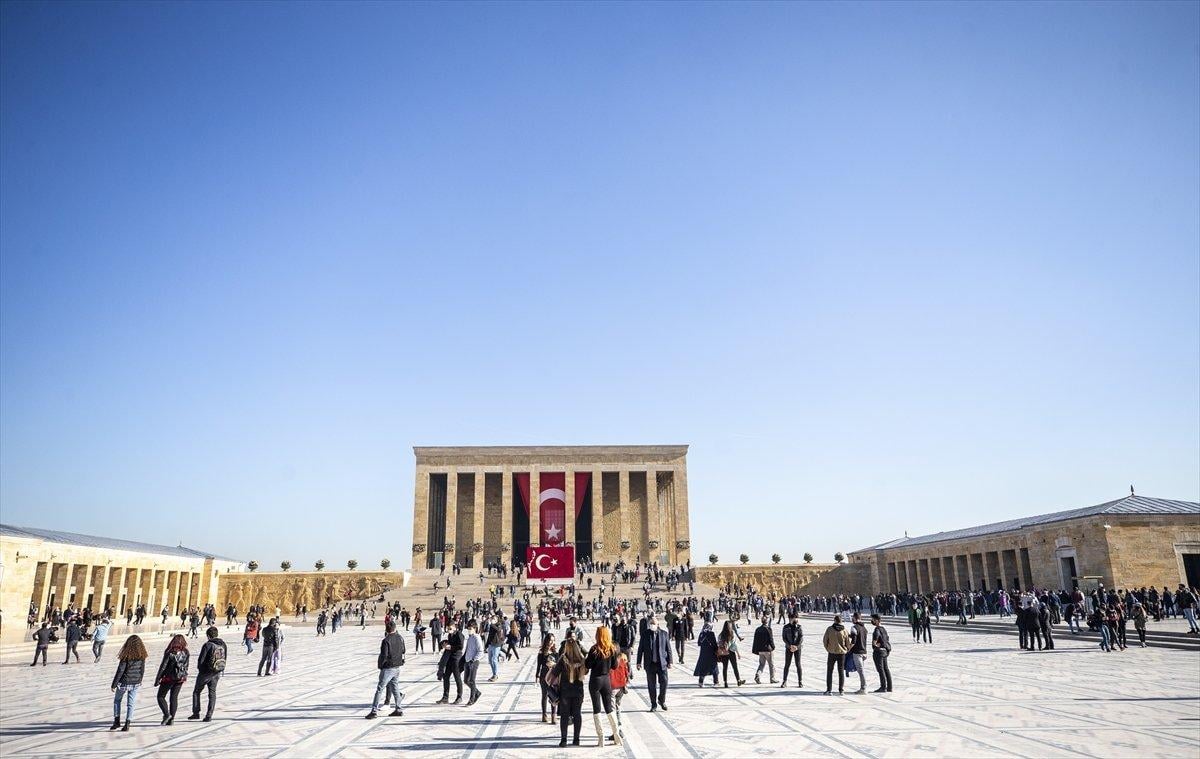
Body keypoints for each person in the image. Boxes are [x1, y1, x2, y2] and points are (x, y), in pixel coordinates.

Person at [585, 626, 622, 747]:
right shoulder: (612, 649)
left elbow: (588, 665)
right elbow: (615, 666)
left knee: (597, 709)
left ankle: (601, 738)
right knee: (609, 709)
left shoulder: (594, 649)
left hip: (595, 680)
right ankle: (616, 735)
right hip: (606, 680)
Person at [365, 621, 406, 719]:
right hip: (397, 667)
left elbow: (384, 655)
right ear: (395, 628)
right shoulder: (400, 638)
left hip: (388, 668)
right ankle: (398, 709)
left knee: (380, 689)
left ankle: (374, 711)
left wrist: (380, 665)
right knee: (395, 688)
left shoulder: (386, 640)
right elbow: (403, 650)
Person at [553, 638, 587, 747]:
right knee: (577, 714)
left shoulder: (563, 659)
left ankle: (564, 740)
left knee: (564, 715)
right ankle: (576, 739)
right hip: (578, 691)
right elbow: (586, 671)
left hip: (565, 691)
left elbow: (554, 672)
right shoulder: (582, 659)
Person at [189, 626, 227, 722]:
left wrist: (201, 670)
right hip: (217, 672)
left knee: (197, 692)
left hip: (205, 673)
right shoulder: (223, 644)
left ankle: (196, 713)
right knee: (212, 693)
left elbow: (201, 660)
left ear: (208, 636)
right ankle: (209, 715)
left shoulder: (208, 645)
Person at [111, 635, 148, 731]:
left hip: (124, 682)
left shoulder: (126, 656)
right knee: (130, 703)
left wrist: (114, 684)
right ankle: (127, 723)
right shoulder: (142, 656)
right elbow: (142, 670)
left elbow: (120, 670)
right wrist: (140, 680)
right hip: (135, 682)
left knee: (117, 700)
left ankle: (116, 721)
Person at [636, 614, 672, 712]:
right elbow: (640, 649)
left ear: (658, 624)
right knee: (651, 685)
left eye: (654, 623)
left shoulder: (664, 634)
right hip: (650, 664)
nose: (652, 625)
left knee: (664, 683)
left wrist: (670, 661)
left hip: (662, 663)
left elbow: (668, 649)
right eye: (651, 623)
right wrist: (638, 662)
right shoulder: (645, 634)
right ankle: (653, 704)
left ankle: (661, 700)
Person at [153, 634, 189, 725]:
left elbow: (163, 667)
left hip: (169, 678)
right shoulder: (186, 652)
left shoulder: (170, 652)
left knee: (160, 697)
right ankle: (172, 719)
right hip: (180, 678)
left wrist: (158, 679)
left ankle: (167, 714)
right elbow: (186, 666)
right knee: (174, 697)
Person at [435, 621, 464, 704]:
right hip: (450, 658)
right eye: (447, 629)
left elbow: (460, 646)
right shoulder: (450, 635)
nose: (448, 630)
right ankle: (445, 697)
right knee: (446, 677)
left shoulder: (459, 634)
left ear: (454, 627)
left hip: (456, 659)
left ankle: (459, 696)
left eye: (450, 628)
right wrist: (444, 644)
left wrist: (450, 647)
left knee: (457, 678)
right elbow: (449, 643)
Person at [822, 615, 850, 696]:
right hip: (841, 653)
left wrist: (828, 648)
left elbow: (825, 640)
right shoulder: (844, 630)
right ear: (841, 621)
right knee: (841, 671)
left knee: (830, 671)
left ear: (834, 620)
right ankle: (841, 690)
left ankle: (829, 690)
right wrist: (847, 649)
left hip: (832, 652)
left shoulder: (830, 629)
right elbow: (847, 642)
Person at [536, 634, 559, 724]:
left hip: (553, 677)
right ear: (546, 641)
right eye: (550, 640)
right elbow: (539, 666)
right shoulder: (542, 653)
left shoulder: (555, 653)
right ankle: (544, 715)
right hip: (544, 676)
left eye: (553, 640)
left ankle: (554, 716)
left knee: (554, 696)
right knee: (544, 695)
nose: (551, 642)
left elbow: (558, 665)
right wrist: (537, 676)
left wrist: (553, 665)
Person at [463, 619, 485, 706]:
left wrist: (474, 659)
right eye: (468, 628)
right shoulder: (469, 638)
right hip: (467, 661)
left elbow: (481, 651)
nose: (469, 630)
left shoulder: (477, 637)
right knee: (466, 680)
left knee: (472, 680)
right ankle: (477, 692)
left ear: (475, 628)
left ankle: (472, 699)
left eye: (470, 628)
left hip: (474, 662)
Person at [717, 620, 745, 687]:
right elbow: (734, 645)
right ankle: (738, 680)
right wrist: (738, 653)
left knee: (725, 668)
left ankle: (725, 682)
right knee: (735, 667)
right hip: (731, 652)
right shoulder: (732, 634)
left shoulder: (720, 635)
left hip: (724, 653)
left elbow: (718, 643)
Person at [870, 614, 892, 693]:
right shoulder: (883, 629)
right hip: (885, 651)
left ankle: (883, 687)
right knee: (886, 668)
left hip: (879, 652)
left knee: (881, 670)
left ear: (877, 621)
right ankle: (889, 687)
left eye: (873, 619)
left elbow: (875, 641)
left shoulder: (877, 629)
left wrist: (875, 644)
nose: (872, 621)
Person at [692, 622, 719, 687]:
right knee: (714, 667)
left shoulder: (701, 633)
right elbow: (714, 643)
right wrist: (717, 650)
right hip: (711, 653)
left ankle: (700, 682)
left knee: (703, 667)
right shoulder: (711, 633)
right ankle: (716, 682)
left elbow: (699, 643)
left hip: (703, 653)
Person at [751, 615, 776, 684]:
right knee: (771, 664)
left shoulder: (758, 629)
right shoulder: (768, 629)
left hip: (760, 650)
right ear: (766, 622)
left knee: (761, 664)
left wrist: (755, 649)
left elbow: (755, 640)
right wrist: (773, 647)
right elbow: (771, 639)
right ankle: (772, 678)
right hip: (768, 650)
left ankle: (758, 675)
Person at [848, 613, 869, 694]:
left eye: (853, 618)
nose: (852, 619)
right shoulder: (864, 628)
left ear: (855, 618)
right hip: (864, 651)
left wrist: (848, 648)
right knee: (861, 670)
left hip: (857, 652)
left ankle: (863, 688)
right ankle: (863, 687)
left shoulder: (854, 628)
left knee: (861, 670)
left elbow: (854, 641)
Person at [781, 613, 803, 688]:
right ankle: (784, 681)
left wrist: (796, 646)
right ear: (790, 619)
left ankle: (800, 681)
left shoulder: (799, 627)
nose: (795, 619)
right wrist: (790, 646)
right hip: (789, 648)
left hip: (797, 648)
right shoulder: (786, 627)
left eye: (796, 618)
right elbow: (784, 638)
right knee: (787, 664)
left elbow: (801, 637)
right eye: (794, 618)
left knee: (798, 664)